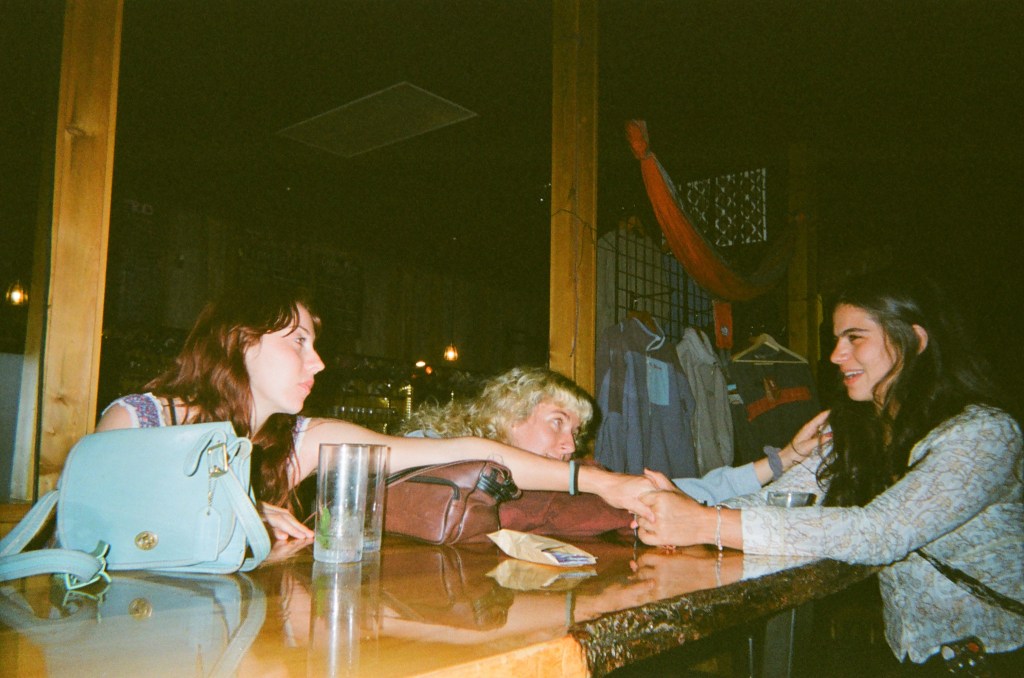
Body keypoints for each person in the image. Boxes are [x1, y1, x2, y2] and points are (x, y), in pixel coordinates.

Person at [636, 271, 1023, 671]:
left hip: (998, 657)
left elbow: (880, 532)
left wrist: (705, 523)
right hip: (912, 656)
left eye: (855, 338)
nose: (836, 355)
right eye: (837, 339)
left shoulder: (984, 433)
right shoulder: (856, 431)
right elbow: (780, 501)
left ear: (915, 340)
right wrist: (683, 510)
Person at [94, 285, 658, 541]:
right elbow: (103, 534)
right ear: (240, 342)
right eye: (298, 341)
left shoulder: (301, 440)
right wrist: (240, 518)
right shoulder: (139, 420)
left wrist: (605, 483)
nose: (317, 361)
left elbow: (473, 450)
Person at [400, 365, 819, 536]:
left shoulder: (576, 483)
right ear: (510, 415)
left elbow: (679, 492)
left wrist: (783, 459)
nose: (570, 444)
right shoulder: (432, 446)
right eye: (557, 422)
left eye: (575, 431)